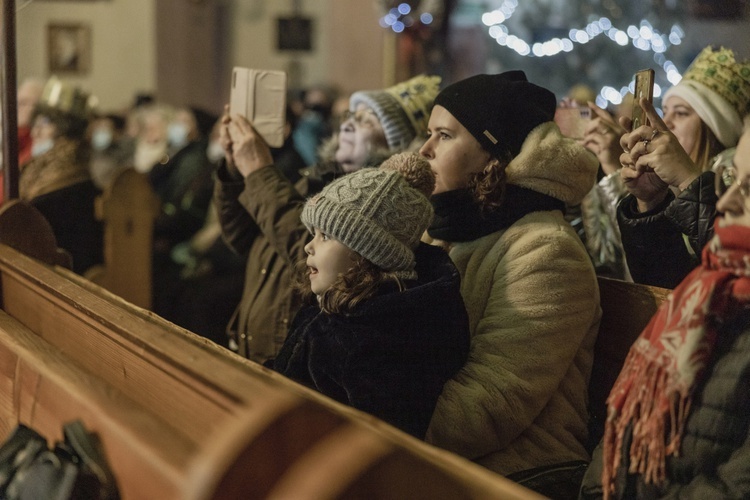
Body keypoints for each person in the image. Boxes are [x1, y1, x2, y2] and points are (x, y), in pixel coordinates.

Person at [418, 71, 601, 478]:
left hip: (521, 471)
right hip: (447, 461)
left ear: (493, 155)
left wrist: (376, 412)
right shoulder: (445, 230)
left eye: (444, 136)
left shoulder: (545, 250)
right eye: (428, 134)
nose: (424, 150)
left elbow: (493, 404)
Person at [579, 116, 750, 499]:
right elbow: (619, 438)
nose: (727, 200)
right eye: (731, 178)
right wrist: (653, 202)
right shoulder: (712, 284)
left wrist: (690, 183)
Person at [215, 74, 441, 362]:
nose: (347, 124)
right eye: (350, 116)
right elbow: (244, 237)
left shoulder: (383, 215)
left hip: (296, 357)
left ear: (397, 147)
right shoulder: (317, 177)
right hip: (255, 346)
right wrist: (236, 169)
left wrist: (258, 171)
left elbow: (306, 252)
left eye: (367, 122)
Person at [272, 153, 470, 439]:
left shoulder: (375, 345)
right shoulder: (336, 307)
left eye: (325, 235)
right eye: (312, 233)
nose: (309, 247)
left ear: (367, 253)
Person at [614, 46, 750, 288]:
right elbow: (666, 287)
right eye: (665, 111)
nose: (666, 123)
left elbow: (734, 272)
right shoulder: (670, 186)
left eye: (682, 113)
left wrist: (689, 179)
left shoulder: (733, 184)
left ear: (712, 128)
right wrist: (650, 202)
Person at [19, 76, 103, 276]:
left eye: (46, 124)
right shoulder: (34, 168)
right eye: (36, 123)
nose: (36, 131)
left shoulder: (73, 178)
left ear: (66, 130)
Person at [87, 112, 135, 189]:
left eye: (105, 128)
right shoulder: (97, 152)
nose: (100, 132)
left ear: (117, 132)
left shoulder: (129, 151)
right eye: (99, 128)